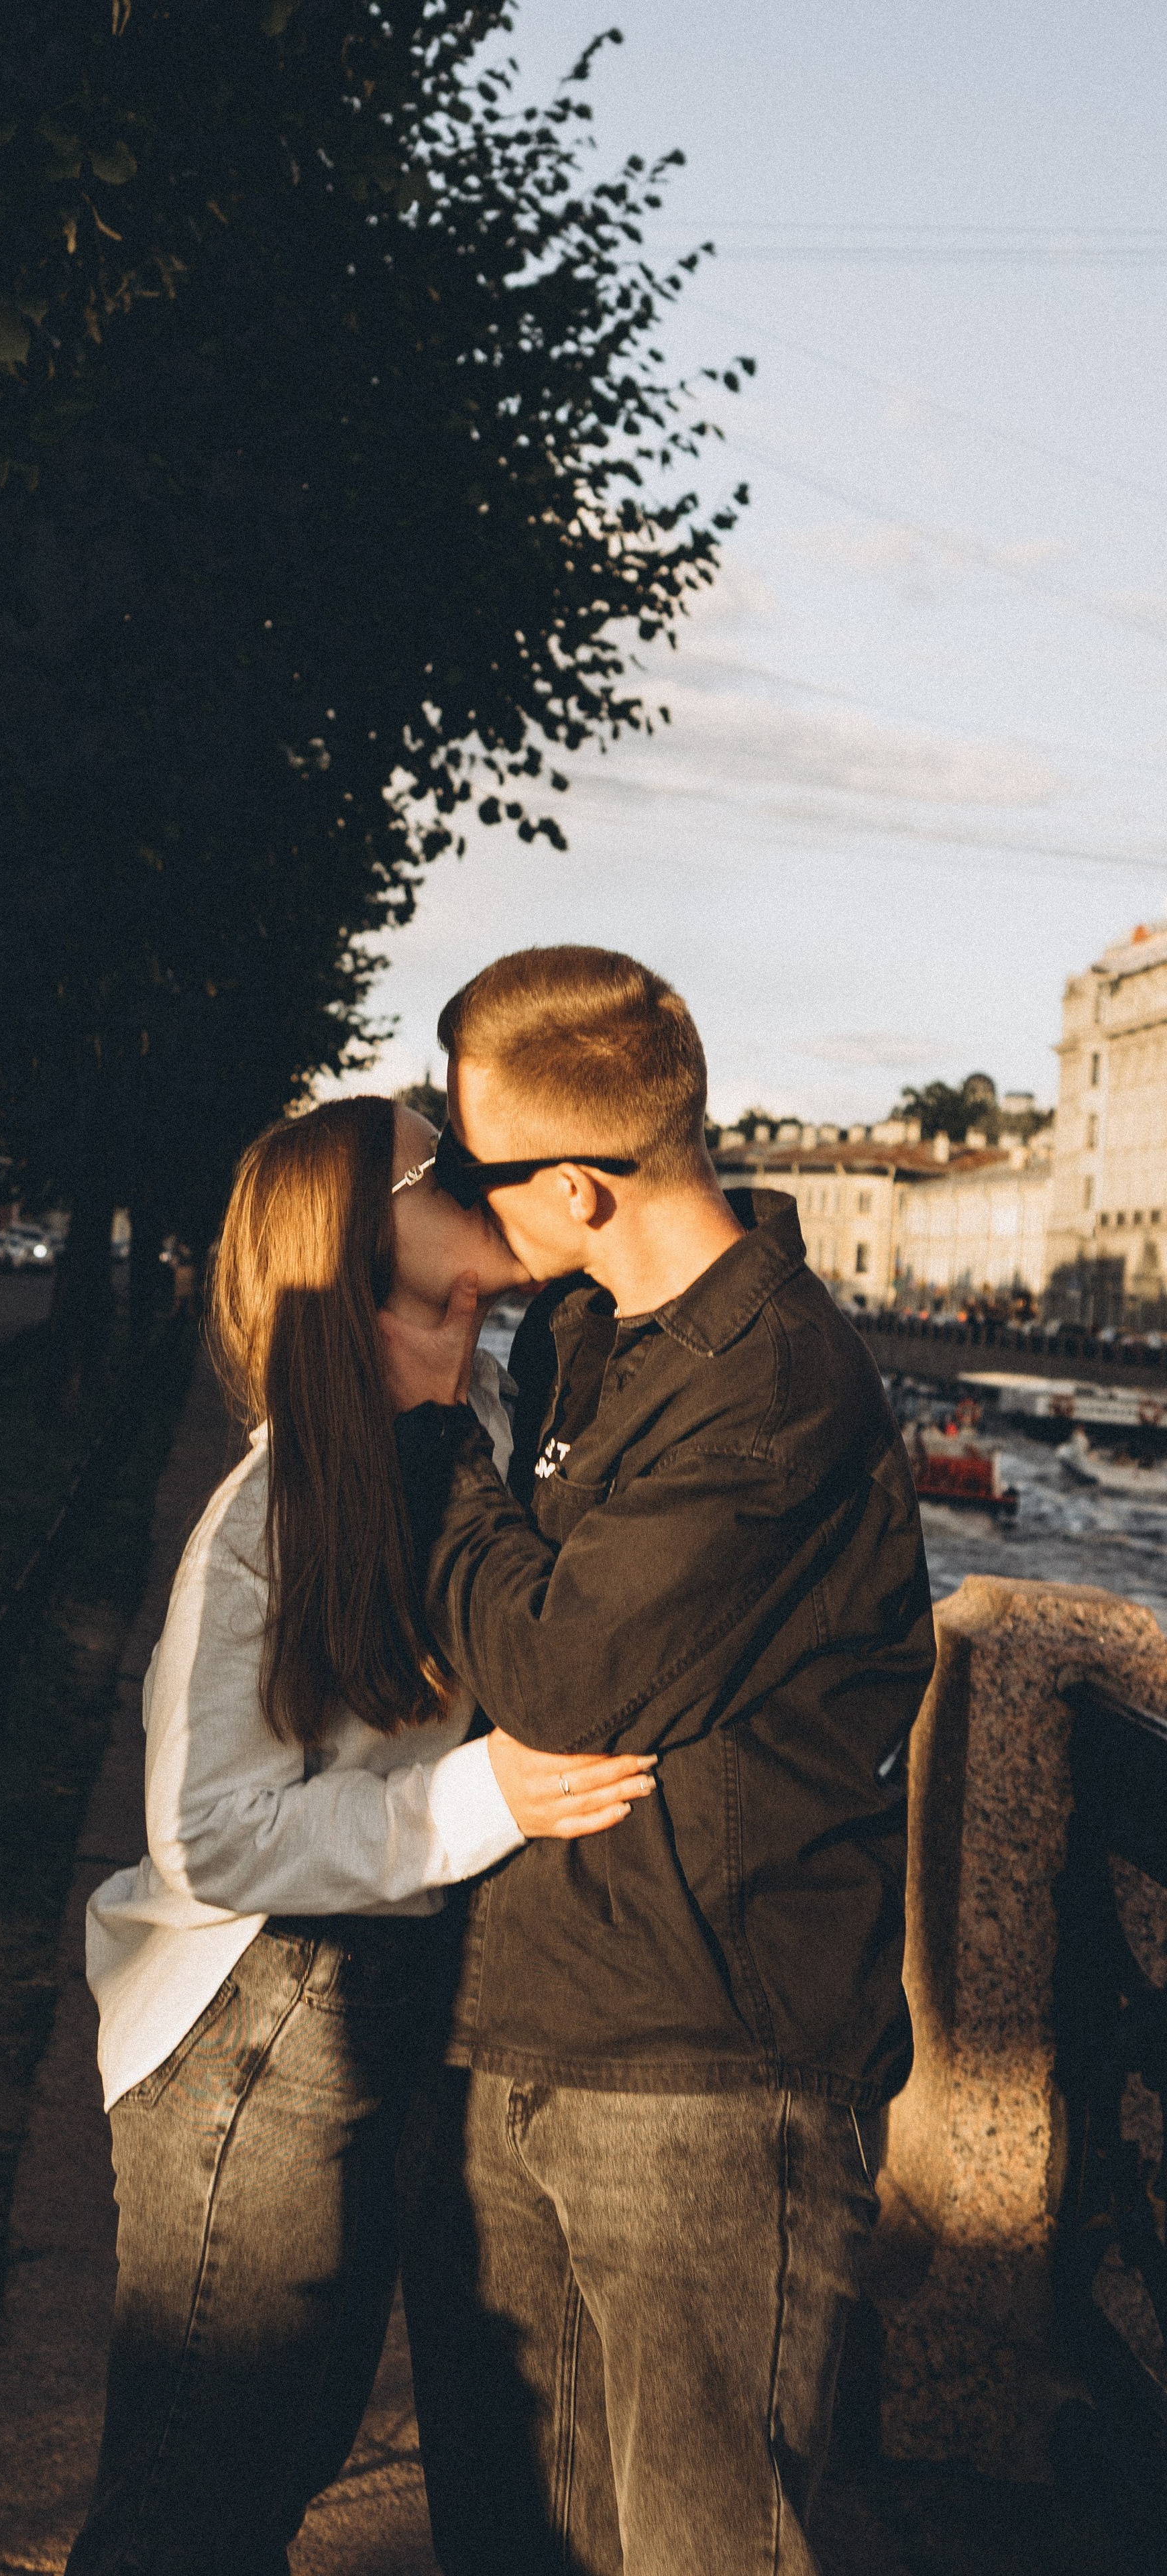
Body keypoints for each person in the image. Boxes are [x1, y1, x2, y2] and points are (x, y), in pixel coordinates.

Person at [378, 947, 936, 2576]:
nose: (469, 1211)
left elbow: (564, 1671)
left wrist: (434, 1453)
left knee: (699, 2550)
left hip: (709, 2080)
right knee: (506, 2540)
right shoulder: (582, 1331)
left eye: (480, 1174)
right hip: (523, 2026)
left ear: (579, 1182)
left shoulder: (773, 1390)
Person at [68, 1093, 657, 2576]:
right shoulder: (270, 1508)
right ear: (348, 1250)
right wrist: (483, 1803)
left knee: (277, 2459)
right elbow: (204, 1834)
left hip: (364, 2000)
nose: (482, 1183)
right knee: (193, 2497)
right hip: (250, 2024)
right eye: (448, 1170)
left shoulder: (468, 1419)